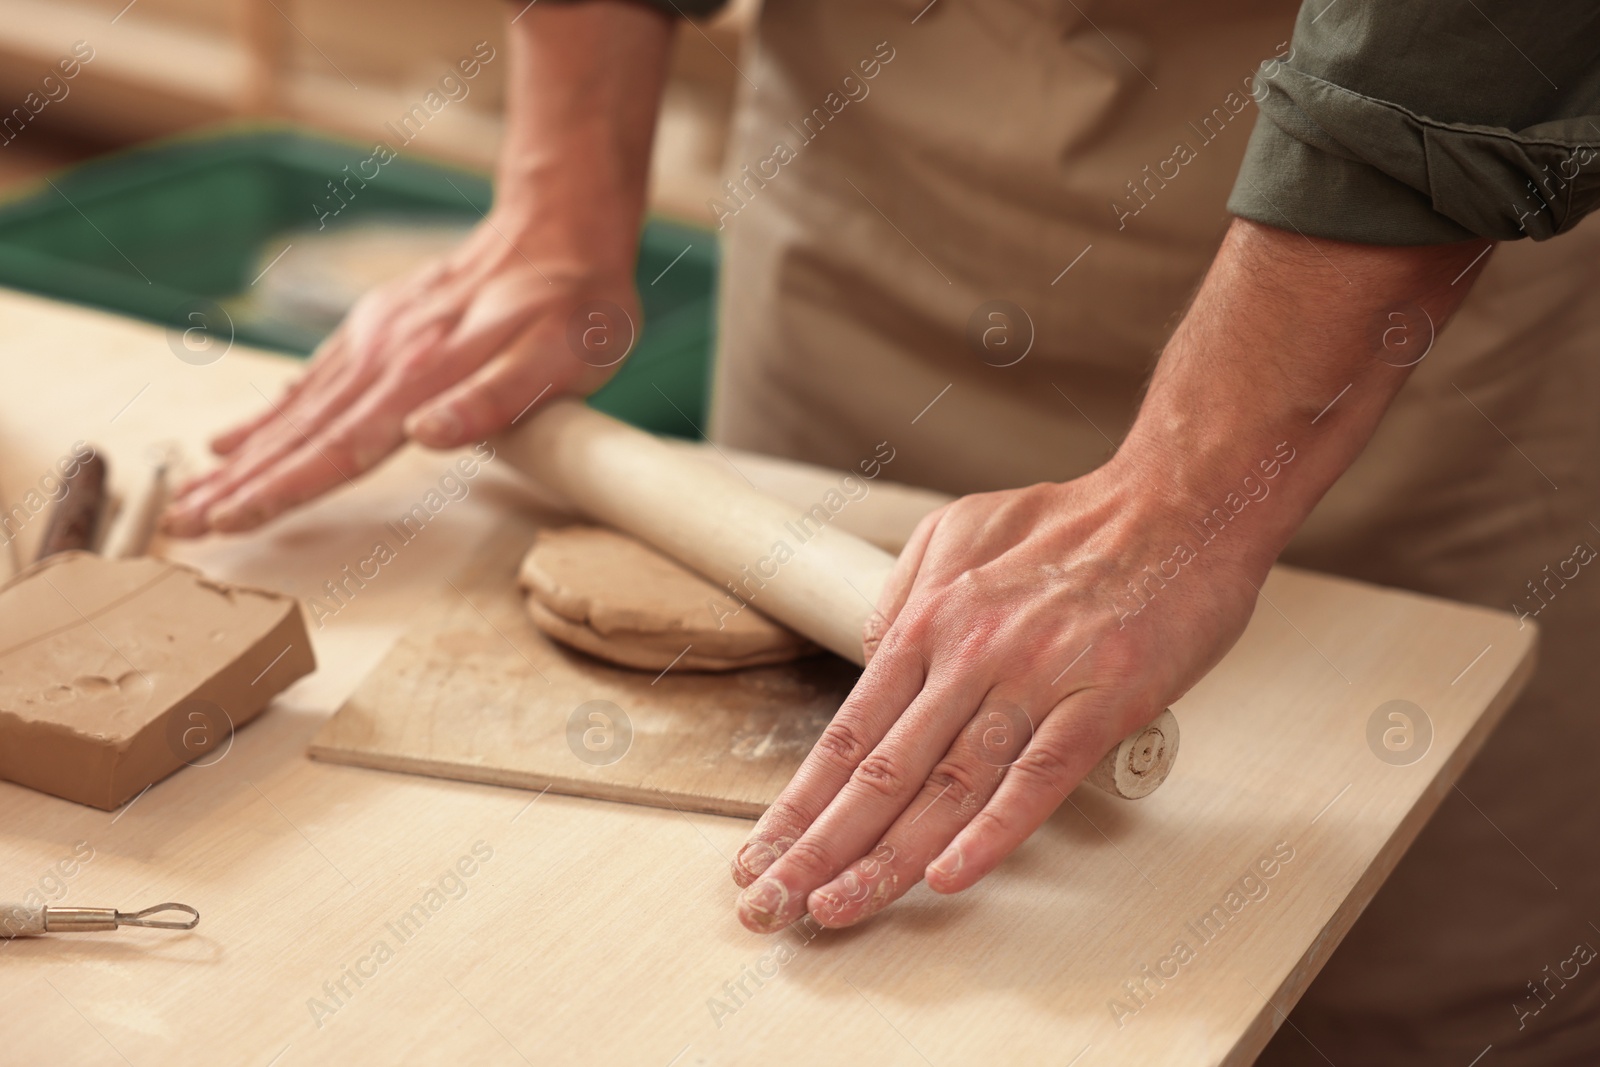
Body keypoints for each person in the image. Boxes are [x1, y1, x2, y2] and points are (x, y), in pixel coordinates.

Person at [164, 1, 1600, 1060]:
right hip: (874, 173)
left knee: (1406, 991)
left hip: (1403, 287)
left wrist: (1189, 493)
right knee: (835, 1000)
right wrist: (557, 195)